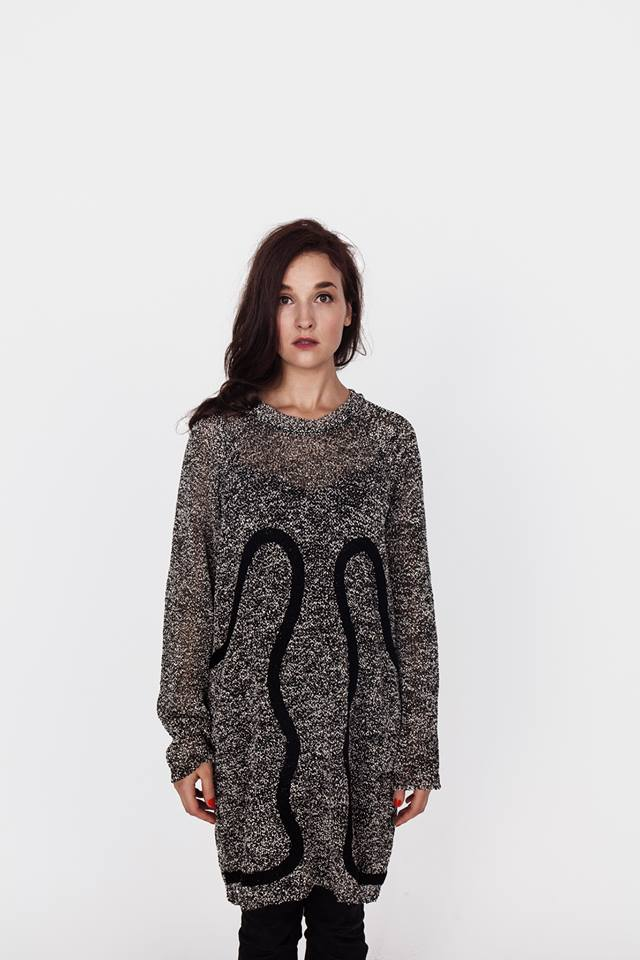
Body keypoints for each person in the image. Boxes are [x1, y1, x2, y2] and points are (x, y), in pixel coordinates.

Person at [156, 217, 442, 959]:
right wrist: (188, 739)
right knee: (266, 928)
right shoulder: (220, 438)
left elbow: (411, 604)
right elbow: (190, 592)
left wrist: (418, 745)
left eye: (323, 296)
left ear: (349, 311)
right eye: (286, 298)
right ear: (265, 310)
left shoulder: (389, 441)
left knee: (344, 929)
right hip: (254, 730)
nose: (306, 317)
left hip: (361, 726)